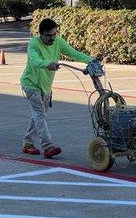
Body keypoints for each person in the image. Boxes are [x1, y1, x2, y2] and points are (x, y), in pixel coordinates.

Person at [20, 18, 94, 158]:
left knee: (39, 115)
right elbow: (34, 61)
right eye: (49, 36)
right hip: (31, 84)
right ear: (41, 34)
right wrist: (48, 63)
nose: (52, 38)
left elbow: (74, 53)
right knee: (39, 114)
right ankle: (48, 147)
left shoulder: (58, 42)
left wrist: (92, 60)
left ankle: (27, 143)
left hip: (46, 86)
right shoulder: (34, 44)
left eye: (54, 34)